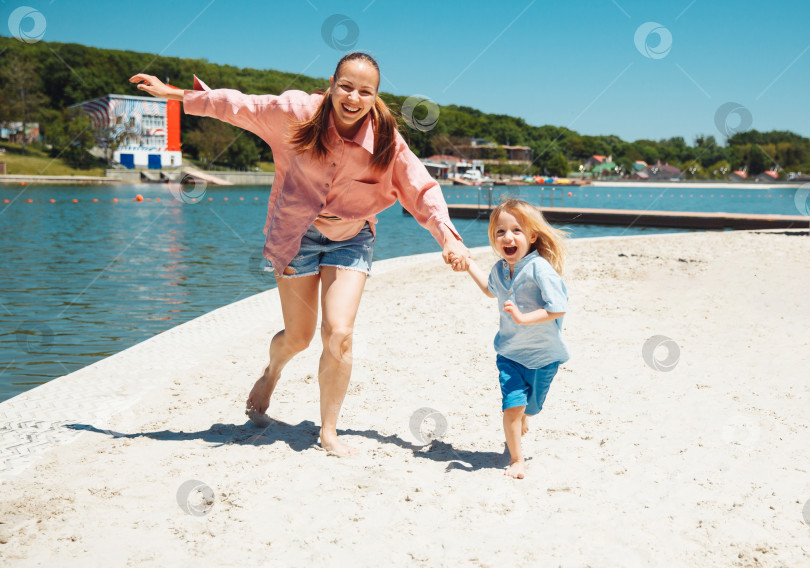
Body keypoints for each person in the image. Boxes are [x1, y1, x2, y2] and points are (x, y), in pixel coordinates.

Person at [130, 52, 469, 457]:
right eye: (346, 86)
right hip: (296, 233)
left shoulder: (385, 140)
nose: (353, 98)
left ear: (375, 96)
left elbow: (421, 188)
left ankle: (328, 431)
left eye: (365, 91)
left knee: (339, 333)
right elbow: (238, 105)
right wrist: (175, 95)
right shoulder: (295, 113)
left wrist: (448, 237)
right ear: (331, 83)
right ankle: (271, 373)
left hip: (352, 237)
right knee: (299, 337)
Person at [451, 199, 569, 478]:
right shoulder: (499, 269)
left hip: (544, 357)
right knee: (512, 407)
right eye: (500, 231)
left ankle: (526, 414)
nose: (508, 237)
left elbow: (558, 307)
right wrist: (468, 264)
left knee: (533, 407)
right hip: (510, 354)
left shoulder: (540, 268)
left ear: (532, 236)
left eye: (516, 230)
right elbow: (490, 290)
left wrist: (523, 317)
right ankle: (517, 459)